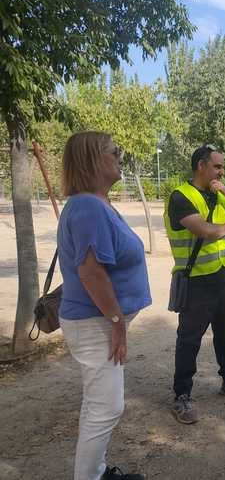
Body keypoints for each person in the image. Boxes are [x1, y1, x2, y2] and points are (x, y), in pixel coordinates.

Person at [57, 131, 151, 480]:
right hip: (96, 323)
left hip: (98, 321)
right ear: (93, 159)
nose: (121, 155)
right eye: (115, 151)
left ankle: (94, 471)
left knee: (98, 403)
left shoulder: (95, 203)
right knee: (108, 407)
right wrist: (116, 322)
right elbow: (91, 272)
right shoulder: (87, 207)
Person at [165, 145, 225, 425]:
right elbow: (205, 230)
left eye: (222, 167)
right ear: (201, 166)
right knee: (189, 339)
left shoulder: (221, 195)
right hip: (197, 281)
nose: (221, 172)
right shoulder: (181, 197)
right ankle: (182, 395)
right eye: (217, 167)